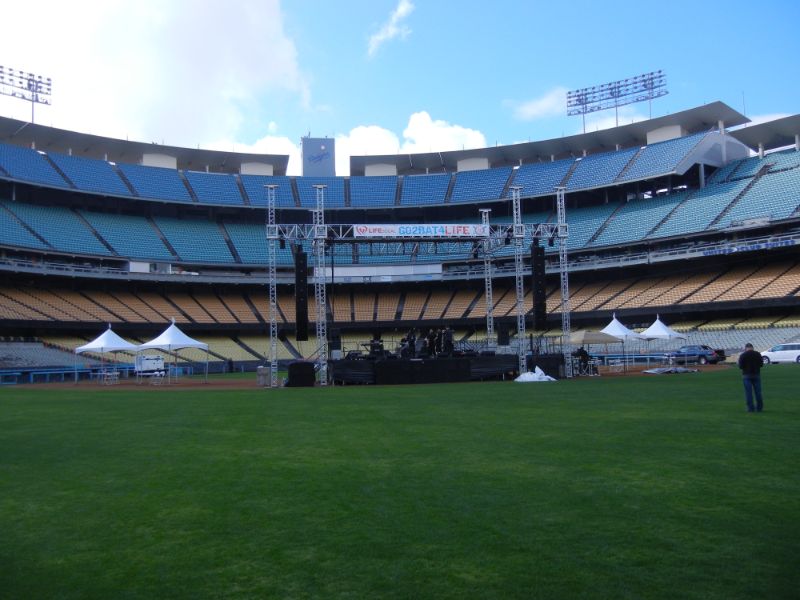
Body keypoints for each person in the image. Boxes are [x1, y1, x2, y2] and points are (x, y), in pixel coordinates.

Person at [737, 343, 764, 413]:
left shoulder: (743, 355)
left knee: (748, 393)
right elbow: (761, 364)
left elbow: (740, 366)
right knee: (758, 392)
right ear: (752, 347)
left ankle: (750, 408)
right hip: (756, 374)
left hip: (746, 375)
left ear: (746, 348)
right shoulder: (758, 354)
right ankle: (759, 408)